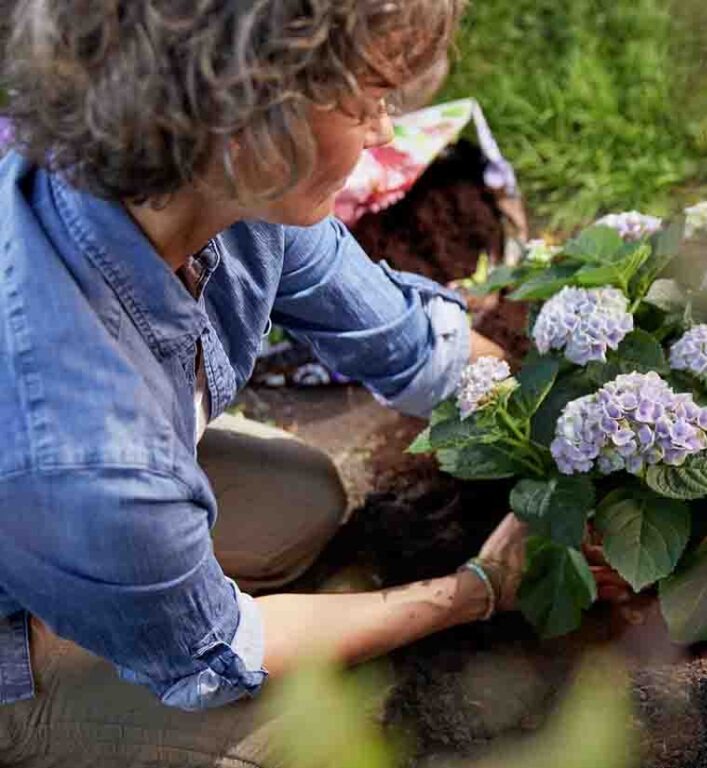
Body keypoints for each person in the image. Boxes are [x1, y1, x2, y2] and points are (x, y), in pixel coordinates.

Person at [0, 2, 624, 765]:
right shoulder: (93, 447)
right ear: (243, 123)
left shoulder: (218, 199)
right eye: (362, 103)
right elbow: (222, 654)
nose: (387, 133)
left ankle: (104, 587)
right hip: (22, 616)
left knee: (304, 498)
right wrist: (475, 589)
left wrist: (576, 425)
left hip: (71, 504)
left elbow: (410, 345)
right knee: (297, 738)